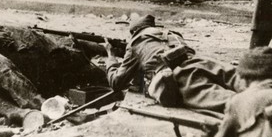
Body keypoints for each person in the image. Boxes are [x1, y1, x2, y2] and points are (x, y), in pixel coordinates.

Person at [104, 14, 242, 113]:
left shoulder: (135, 43)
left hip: (178, 74)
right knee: (240, 79)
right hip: (198, 62)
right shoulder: (171, 33)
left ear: (134, 32)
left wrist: (111, 56)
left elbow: (117, 82)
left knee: (229, 101)